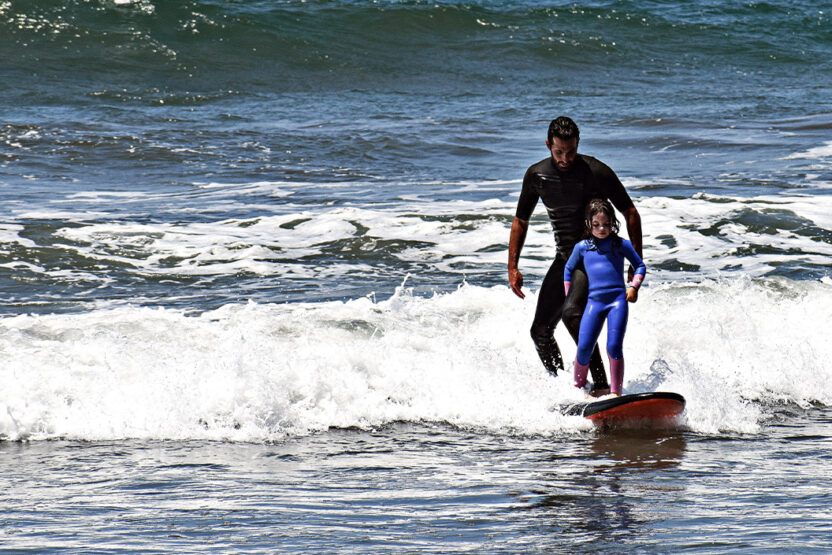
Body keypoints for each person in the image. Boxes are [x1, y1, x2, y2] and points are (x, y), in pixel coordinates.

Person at [508, 116, 642, 396]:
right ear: (548, 146)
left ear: (578, 145)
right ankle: (566, 387)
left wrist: (634, 263)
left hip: (596, 256)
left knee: (571, 314)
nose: (565, 158)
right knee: (540, 332)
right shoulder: (537, 176)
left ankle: (602, 386)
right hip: (567, 258)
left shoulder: (596, 171)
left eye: (571, 151)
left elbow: (630, 213)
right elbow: (521, 220)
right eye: (559, 152)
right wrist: (513, 266)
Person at [565, 199, 646, 396]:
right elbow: (569, 268)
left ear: (613, 223)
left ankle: (616, 393)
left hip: (617, 302)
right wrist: (570, 295)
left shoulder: (621, 245)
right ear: (588, 224)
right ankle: (578, 388)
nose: (602, 229)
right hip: (594, 303)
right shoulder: (582, 247)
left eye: (607, 224)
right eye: (597, 225)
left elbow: (640, 266)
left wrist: (634, 287)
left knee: (614, 346)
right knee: (584, 347)